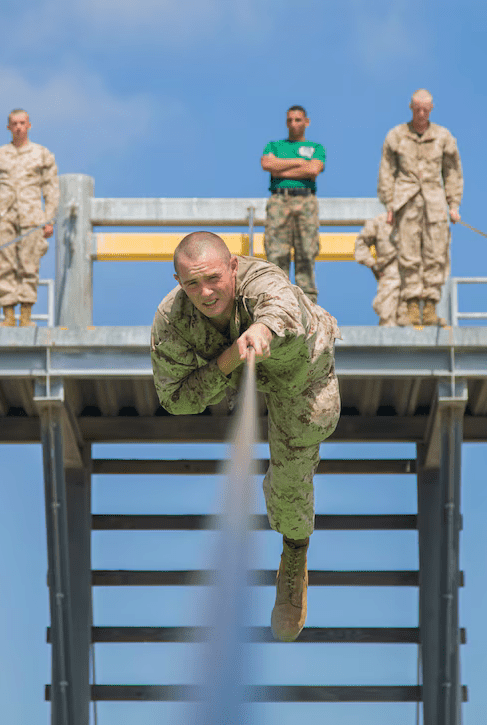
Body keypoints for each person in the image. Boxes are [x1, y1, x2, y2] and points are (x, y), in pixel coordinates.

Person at [151, 231, 340, 642]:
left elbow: (282, 306)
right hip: (237, 370)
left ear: (233, 266)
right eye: (191, 284)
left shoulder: (261, 280)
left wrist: (264, 332)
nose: (205, 292)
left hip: (299, 372)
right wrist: (227, 361)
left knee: (292, 477)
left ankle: (294, 552)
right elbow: (176, 399)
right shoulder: (172, 319)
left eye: (214, 279)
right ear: (177, 281)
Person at [377, 89, 463, 327]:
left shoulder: (443, 136)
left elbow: (453, 172)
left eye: (426, 109)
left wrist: (453, 205)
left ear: (432, 108)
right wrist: (389, 204)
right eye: (417, 109)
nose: (422, 113)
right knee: (409, 253)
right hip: (406, 200)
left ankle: (431, 307)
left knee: (436, 253)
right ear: (411, 107)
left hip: (434, 201)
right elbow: (387, 171)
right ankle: (412, 304)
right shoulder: (396, 136)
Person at [0, 109, 60, 327]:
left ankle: (25, 315)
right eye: (14, 123)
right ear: (8, 127)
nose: (18, 127)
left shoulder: (42, 154)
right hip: (3, 216)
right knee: (4, 265)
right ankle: (8, 315)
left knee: (29, 264)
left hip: (31, 216)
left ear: (29, 125)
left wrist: (49, 218)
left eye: (22, 123)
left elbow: (51, 188)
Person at [261, 105, 326, 303]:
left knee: (306, 252)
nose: (293, 124)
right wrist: (300, 162)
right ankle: (277, 300)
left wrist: (282, 167)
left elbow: (314, 169)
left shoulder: (316, 148)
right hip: (279, 200)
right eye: (290, 120)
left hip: (305, 200)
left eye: (298, 120)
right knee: (276, 253)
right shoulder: (274, 145)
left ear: (306, 122)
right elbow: (267, 165)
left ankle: (308, 304)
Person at [353, 212, 401, 326]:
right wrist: (372, 264)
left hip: (413, 283)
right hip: (390, 281)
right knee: (388, 321)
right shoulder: (379, 222)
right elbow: (360, 244)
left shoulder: (416, 220)